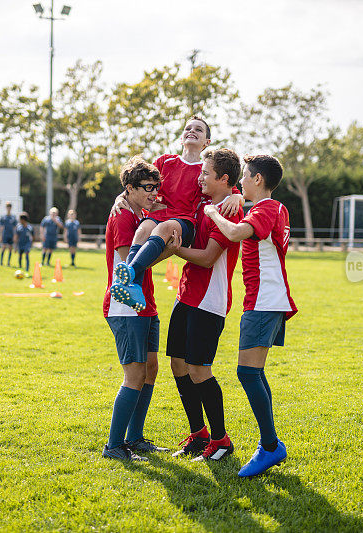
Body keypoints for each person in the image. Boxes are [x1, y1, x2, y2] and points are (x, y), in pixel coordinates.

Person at [202, 154, 297, 478]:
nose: (240, 181)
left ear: (258, 179)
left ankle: (270, 446)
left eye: (244, 176)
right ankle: (271, 444)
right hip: (267, 300)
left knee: (247, 373)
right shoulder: (274, 208)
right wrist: (236, 201)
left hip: (264, 302)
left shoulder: (267, 208)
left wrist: (213, 211)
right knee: (253, 373)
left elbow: (235, 233)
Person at [110, 116, 243, 311]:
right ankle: (132, 284)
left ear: (207, 142)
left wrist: (237, 197)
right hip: (158, 216)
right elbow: (141, 180)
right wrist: (120, 196)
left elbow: (227, 187)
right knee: (143, 229)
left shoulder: (205, 171)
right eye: (188, 128)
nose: (192, 131)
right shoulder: (165, 161)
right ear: (181, 138)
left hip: (184, 221)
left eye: (198, 130)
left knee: (164, 228)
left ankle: (129, 273)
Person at [168, 148, 243, 462]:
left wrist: (176, 249)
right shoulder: (204, 201)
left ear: (223, 179)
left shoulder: (230, 211)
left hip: (209, 300)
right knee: (178, 364)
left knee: (200, 369)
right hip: (185, 295)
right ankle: (198, 434)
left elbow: (210, 258)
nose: (198, 178)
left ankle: (221, 440)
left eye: (205, 174)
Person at [102, 156, 178, 462]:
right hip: (125, 307)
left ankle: (134, 438)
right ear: (129, 189)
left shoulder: (138, 215)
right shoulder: (122, 217)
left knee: (150, 370)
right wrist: (168, 251)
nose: (153, 193)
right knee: (133, 376)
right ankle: (114, 446)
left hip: (145, 305)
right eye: (147, 187)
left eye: (155, 188)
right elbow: (128, 266)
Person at [0, 201, 16, 267]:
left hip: (11, 235)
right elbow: (1, 227)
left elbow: (15, 227)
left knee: (10, 248)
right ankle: (1, 262)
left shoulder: (13, 217)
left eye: (10, 207)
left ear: (11, 208)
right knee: (3, 247)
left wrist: (14, 235)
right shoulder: (3, 217)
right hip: (5, 235)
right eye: (7, 207)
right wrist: (0, 235)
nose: (8, 208)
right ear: (6, 208)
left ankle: (8, 262)